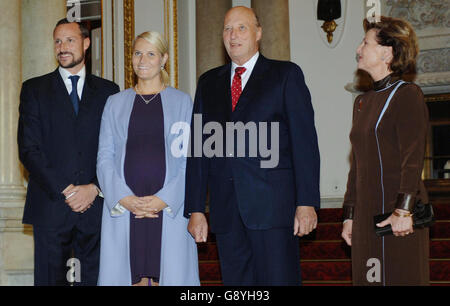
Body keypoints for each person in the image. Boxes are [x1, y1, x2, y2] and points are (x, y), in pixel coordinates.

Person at [184, 6, 320, 286]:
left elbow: (304, 144)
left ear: (258, 33)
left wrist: (306, 202)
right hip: (226, 212)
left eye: (241, 27)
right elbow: (198, 151)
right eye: (227, 29)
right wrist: (196, 208)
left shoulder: (285, 75)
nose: (233, 35)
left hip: (273, 210)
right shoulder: (208, 83)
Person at [17, 18, 120, 285]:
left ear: (86, 44)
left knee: (95, 280)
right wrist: (68, 189)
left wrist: (94, 188)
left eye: (70, 40)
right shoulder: (34, 89)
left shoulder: (110, 92)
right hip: (51, 207)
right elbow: (29, 149)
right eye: (58, 41)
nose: (62, 47)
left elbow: (117, 149)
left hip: (95, 209)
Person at [96, 31, 199, 286]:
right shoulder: (114, 103)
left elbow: (189, 159)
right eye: (137, 53)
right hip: (125, 206)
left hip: (167, 207)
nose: (143, 59)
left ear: (163, 59)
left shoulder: (182, 102)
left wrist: (163, 199)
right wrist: (124, 198)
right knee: (129, 276)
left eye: (151, 53)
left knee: (169, 274)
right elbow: (104, 157)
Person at [341, 16, 430, 286]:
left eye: (365, 43)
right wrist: (349, 216)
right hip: (367, 215)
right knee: (370, 280)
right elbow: (357, 166)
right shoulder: (362, 102)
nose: (358, 48)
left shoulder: (407, 94)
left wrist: (403, 210)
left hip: (397, 216)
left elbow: (412, 160)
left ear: (386, 52)